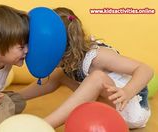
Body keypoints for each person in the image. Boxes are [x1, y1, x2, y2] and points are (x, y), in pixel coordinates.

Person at [18, 7, 153, 129]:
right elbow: (52, 80)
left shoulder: (97, 56)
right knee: (60, 74)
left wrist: (127, 92)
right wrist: (14, 97)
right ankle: (15, 97)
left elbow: (146, 69)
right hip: (107, 105)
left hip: (130, 109)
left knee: (97, 78)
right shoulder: (69, 61)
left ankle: (44, 125)